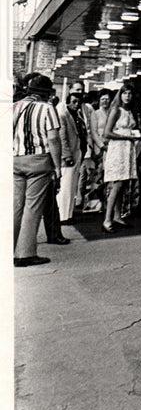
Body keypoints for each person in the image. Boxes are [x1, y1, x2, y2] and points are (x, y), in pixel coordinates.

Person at [13, 75, 62, 266]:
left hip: (15, 160)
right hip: (38, 162)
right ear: (46, 93)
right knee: (32, 208)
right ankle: (25, 254)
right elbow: (53, 139)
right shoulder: (47, 108)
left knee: (16, 206)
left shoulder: (14, 107)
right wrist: (57, 166)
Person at [102, 83, 141, 233]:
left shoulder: (129, 111)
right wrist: (125, 136)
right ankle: (107, 219)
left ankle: (117, 216)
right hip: (118, 148)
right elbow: (106, 133)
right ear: (120, 95)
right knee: (118, 183)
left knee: (123, 182)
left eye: (130, 94)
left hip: (127, 148)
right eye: (125, 93)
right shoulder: (116, 110)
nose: (127, 96)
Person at [57, 91, 84, 224]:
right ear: (67, 102)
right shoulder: (63, 116)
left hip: (77, 153)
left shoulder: (77, 115)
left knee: (72, 186)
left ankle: (69, 213)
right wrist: (66, 155)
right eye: (73, 102)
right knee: (66, 186)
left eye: (78, 102)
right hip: (69, 156)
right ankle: (63, 215)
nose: (76, 104)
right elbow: (62, 138)